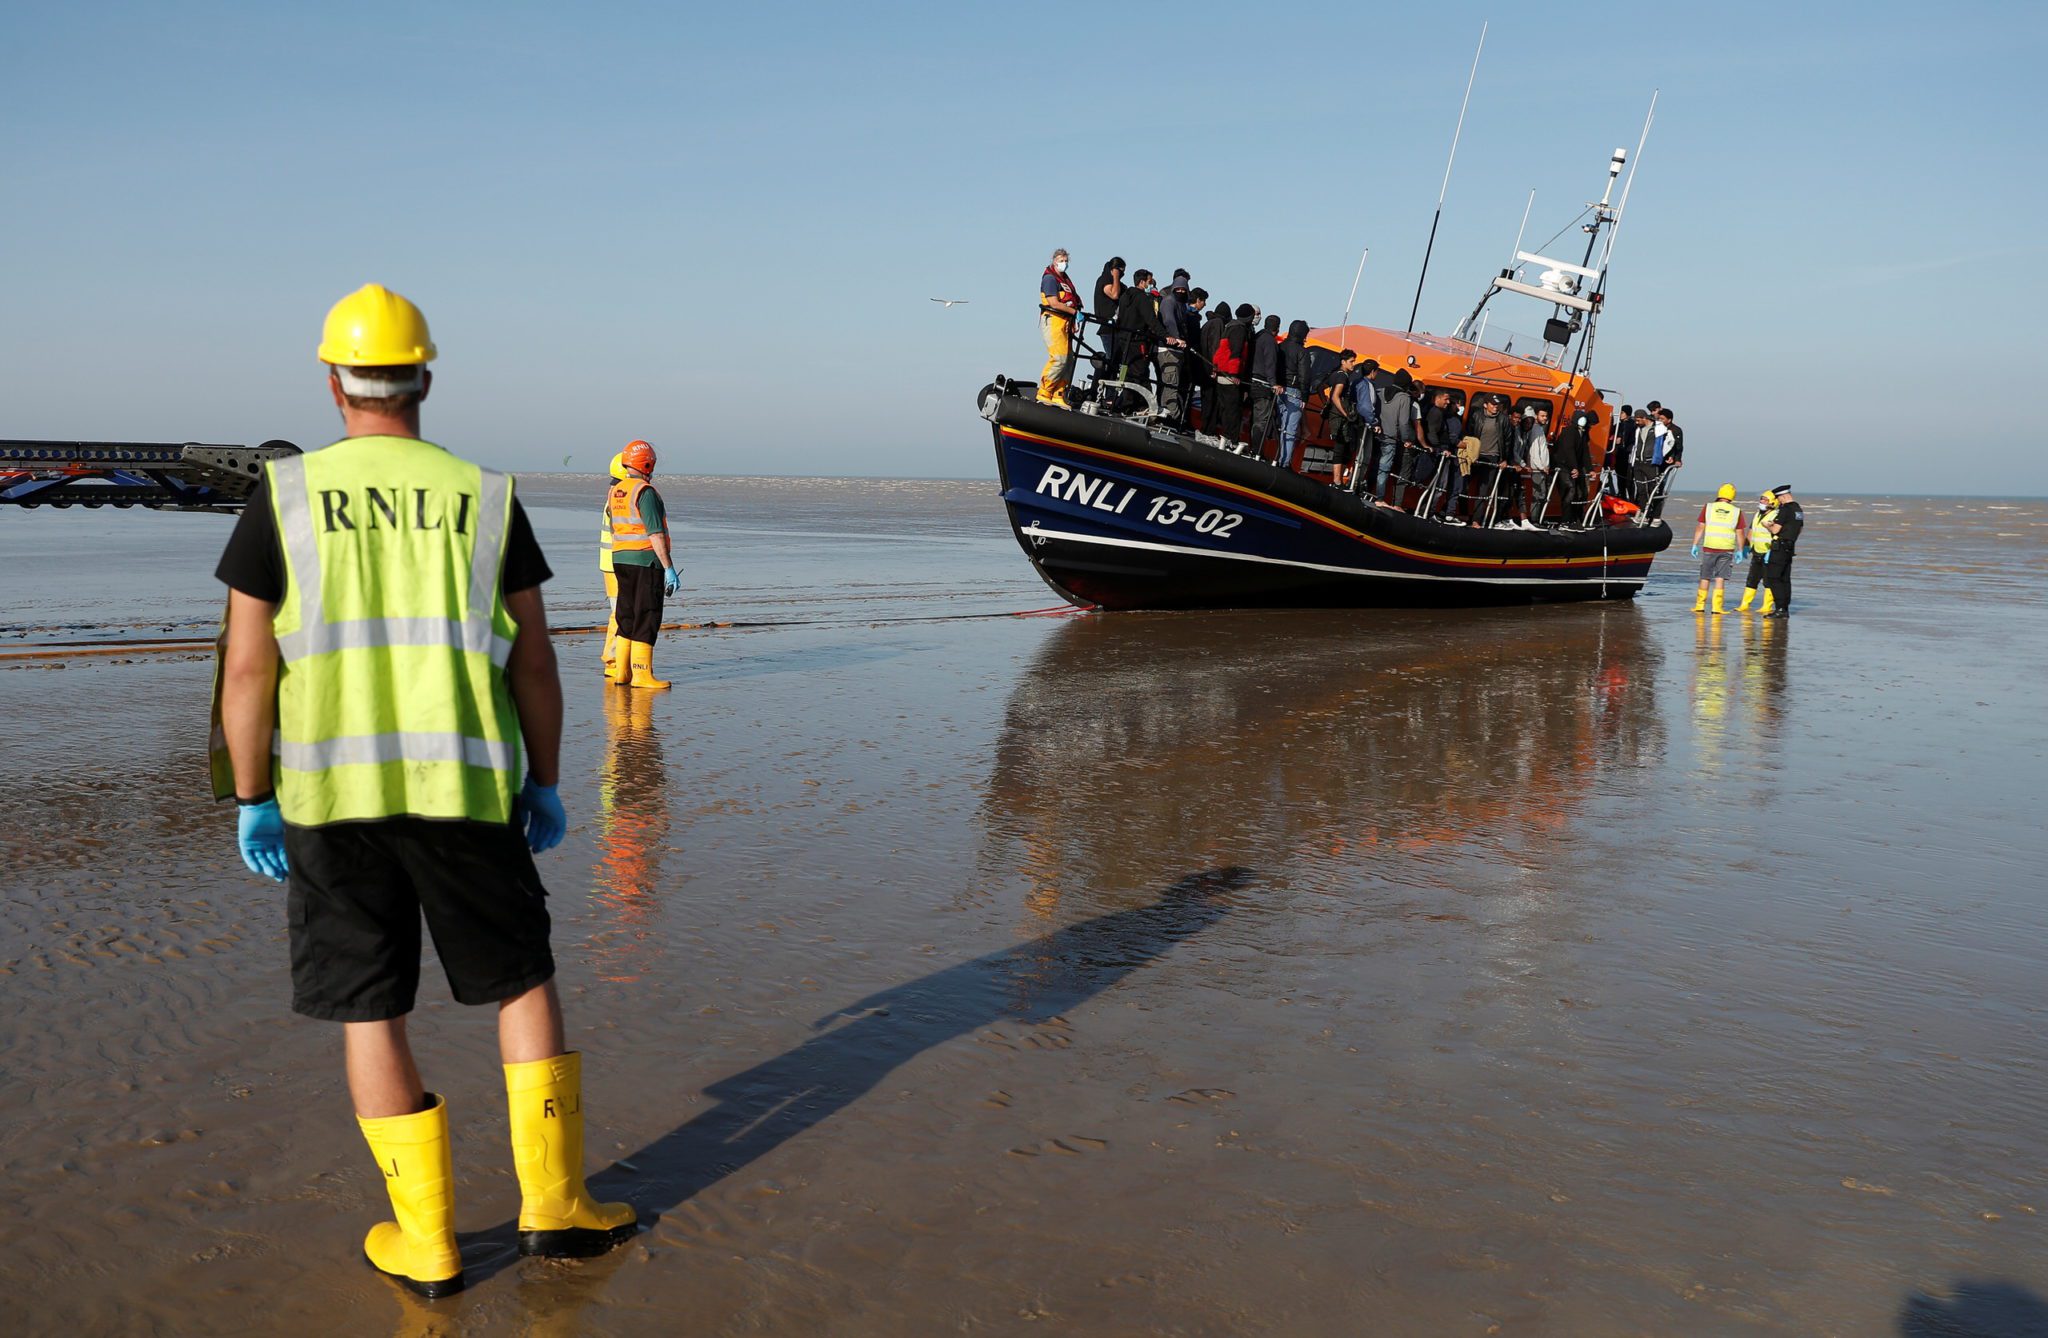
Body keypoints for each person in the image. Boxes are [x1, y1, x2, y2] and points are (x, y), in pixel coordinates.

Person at [214, 284, 637, 1299]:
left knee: (372, 1009)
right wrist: (541, 780)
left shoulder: (282, 497)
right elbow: (534, 661)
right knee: (520, 981)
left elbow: (244, 671)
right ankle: (554, 1211)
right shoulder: (485, 496)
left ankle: (428, 1240)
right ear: (425, 378)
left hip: (329, 802)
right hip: (466, 792)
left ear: (332, 383)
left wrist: (250, 795)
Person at [608, 440, 681, 689]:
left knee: (626, 614)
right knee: (647, 614)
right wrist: (669, 567)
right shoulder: (645, 492)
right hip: (645, 560)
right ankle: (642, 675)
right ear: (647, 464)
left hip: (619, 559)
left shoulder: (617, 491)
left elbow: (614, 526)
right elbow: (655, 533)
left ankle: (622, 672)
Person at [1690, 483, 1750, 614]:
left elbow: (1701, 527)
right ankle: (1716, 607)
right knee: (1720, 578)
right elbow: (1740, 533)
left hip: (1709, 547)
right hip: (1726, 549)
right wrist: (1740, 550)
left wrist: (1695, 544)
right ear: (1732, 496)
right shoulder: (1736, 511)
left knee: (1705, 577)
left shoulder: (1709, 507)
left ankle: (1699, 606)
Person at [1037, 249, 1081, 405]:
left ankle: (1058, 393)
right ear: (1054, 261)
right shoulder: (1050, 279)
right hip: (1053, 320)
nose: (1064, 264)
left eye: (1066, 260)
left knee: (1069, 360)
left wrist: (1074, 319)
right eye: (1061, 260)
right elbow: (1053, 302)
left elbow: (1072, 300)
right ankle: (1045, 391)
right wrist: (1074, 312)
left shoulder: (1065, 280)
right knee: (1059, 358)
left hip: (1066, 323)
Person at [598, 451, 627, 675]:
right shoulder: (617, 497)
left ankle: (615, 660)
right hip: (615, 564)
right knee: (620, 613)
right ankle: (613, 661)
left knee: (619, 612)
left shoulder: (613, 493)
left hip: (611, 564)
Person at [1468, 393, 1517, 525]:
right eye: (1493, 404)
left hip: (1493, 457)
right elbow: (1469, 434)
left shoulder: (1503, 419)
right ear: (1485, 405)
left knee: (1484, 490)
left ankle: (1476, 520)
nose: (1496, 407)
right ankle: (1457, 514)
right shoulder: (1476, 415)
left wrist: (1504, 459)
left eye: (1498, 405)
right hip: (1475, 456)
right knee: (1463, 485)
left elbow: (1508, 440)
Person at [1209, 303, 1254, 446]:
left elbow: (1220, 350)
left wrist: (1215, 368)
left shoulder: (1229, 327)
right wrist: (1234, 374)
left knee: (1224, 408)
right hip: (1230, 375)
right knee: (1233, 410)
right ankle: (1231, 439)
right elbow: (1236, 352)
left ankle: (1224, 437)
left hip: (1222, 373)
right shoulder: (1240, 329)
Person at [1371, 369, 1418, 506]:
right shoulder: (1405, 397)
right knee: (1383, 469)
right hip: (1390, 438)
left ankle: (1363, 489)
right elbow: (1403, 422)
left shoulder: (1379, 391)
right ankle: (1379, 498)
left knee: (1369, 464)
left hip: (1375, 434)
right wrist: (1406, 439)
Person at [1155, 270, 1195, 424]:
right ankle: (1171, 416)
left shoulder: (1182, 305)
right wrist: (1177, 338)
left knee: (1173, 383)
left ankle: (1169, 414)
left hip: (1178, 351)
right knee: (1170, 383)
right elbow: (1169, 321)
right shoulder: (1169, 301)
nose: (1180, 292)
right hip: (1169, 349)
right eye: (1178, 289)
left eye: (1183, 290)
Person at [1760, 484, 1803, 617]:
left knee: (1773, 577)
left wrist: (1767, 525)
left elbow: (1775, 530)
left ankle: (1780, 609)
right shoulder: (1798, 509)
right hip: (1790, 546)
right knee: (1785, 578)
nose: (1778, 501)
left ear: (1783, 496)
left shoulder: (1785, 509)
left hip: (1779, 546)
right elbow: (1798, 528)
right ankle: (1784, 608)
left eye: (1778, 498)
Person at [1276, 319, 1313, 469]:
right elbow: (1305, 376)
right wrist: (1305, 396)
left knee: (1279, 427)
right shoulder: (1302, 351)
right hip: (1294, 391)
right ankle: (1284, 462)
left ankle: (1275, 458)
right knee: (1290, 430)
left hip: (1278, 389)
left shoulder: (1280, 347)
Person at [1737, 488, 1779, 614]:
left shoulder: (1776, 516)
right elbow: (1751, 532)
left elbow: (1777, 534)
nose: (1762, 501)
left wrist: (1772, 550)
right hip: (1756, 552)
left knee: (1768, 581)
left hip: (1769, 553)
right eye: (1761, 499)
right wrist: (1744, 547)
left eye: (1765, 500)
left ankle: (1767, 606)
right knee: (1752, 579)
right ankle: (1744, 604)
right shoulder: (1757, 515)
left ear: (1772, 502)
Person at [1246, 314, 1282, 459]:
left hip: (1251, 381)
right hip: (1263, 384)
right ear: (1277, 328)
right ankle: (1256, 451)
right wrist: (1274, 384)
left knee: (1254, 418)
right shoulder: (1270, 342)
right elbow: (1270, 364)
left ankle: (1252, 447)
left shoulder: (1257, 337)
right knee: (1261, 420)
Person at [1093, 256, 1126, 380]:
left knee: (1123, 362)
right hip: (1108, 328)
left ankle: (1119, 389)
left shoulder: (1121, 285)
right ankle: (1108, 394)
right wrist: (1115, 275)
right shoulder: (1105, 280)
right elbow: (1114, 294)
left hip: (1120, 329)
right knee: (1112, 362)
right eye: (1121, 270)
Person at [1523, 405, 1553, 524]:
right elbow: (1534, 451)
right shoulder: (1536, 430)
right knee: (1539, 494)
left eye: (1546, 416)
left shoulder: (1540, 429)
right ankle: (1535, 520)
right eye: (1542, 416)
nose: (1545, 418)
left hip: (1541, 468)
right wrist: (1542, 467)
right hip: (1538, 468)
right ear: (1536, 416)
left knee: (1542, 494)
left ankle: (1538, 518)